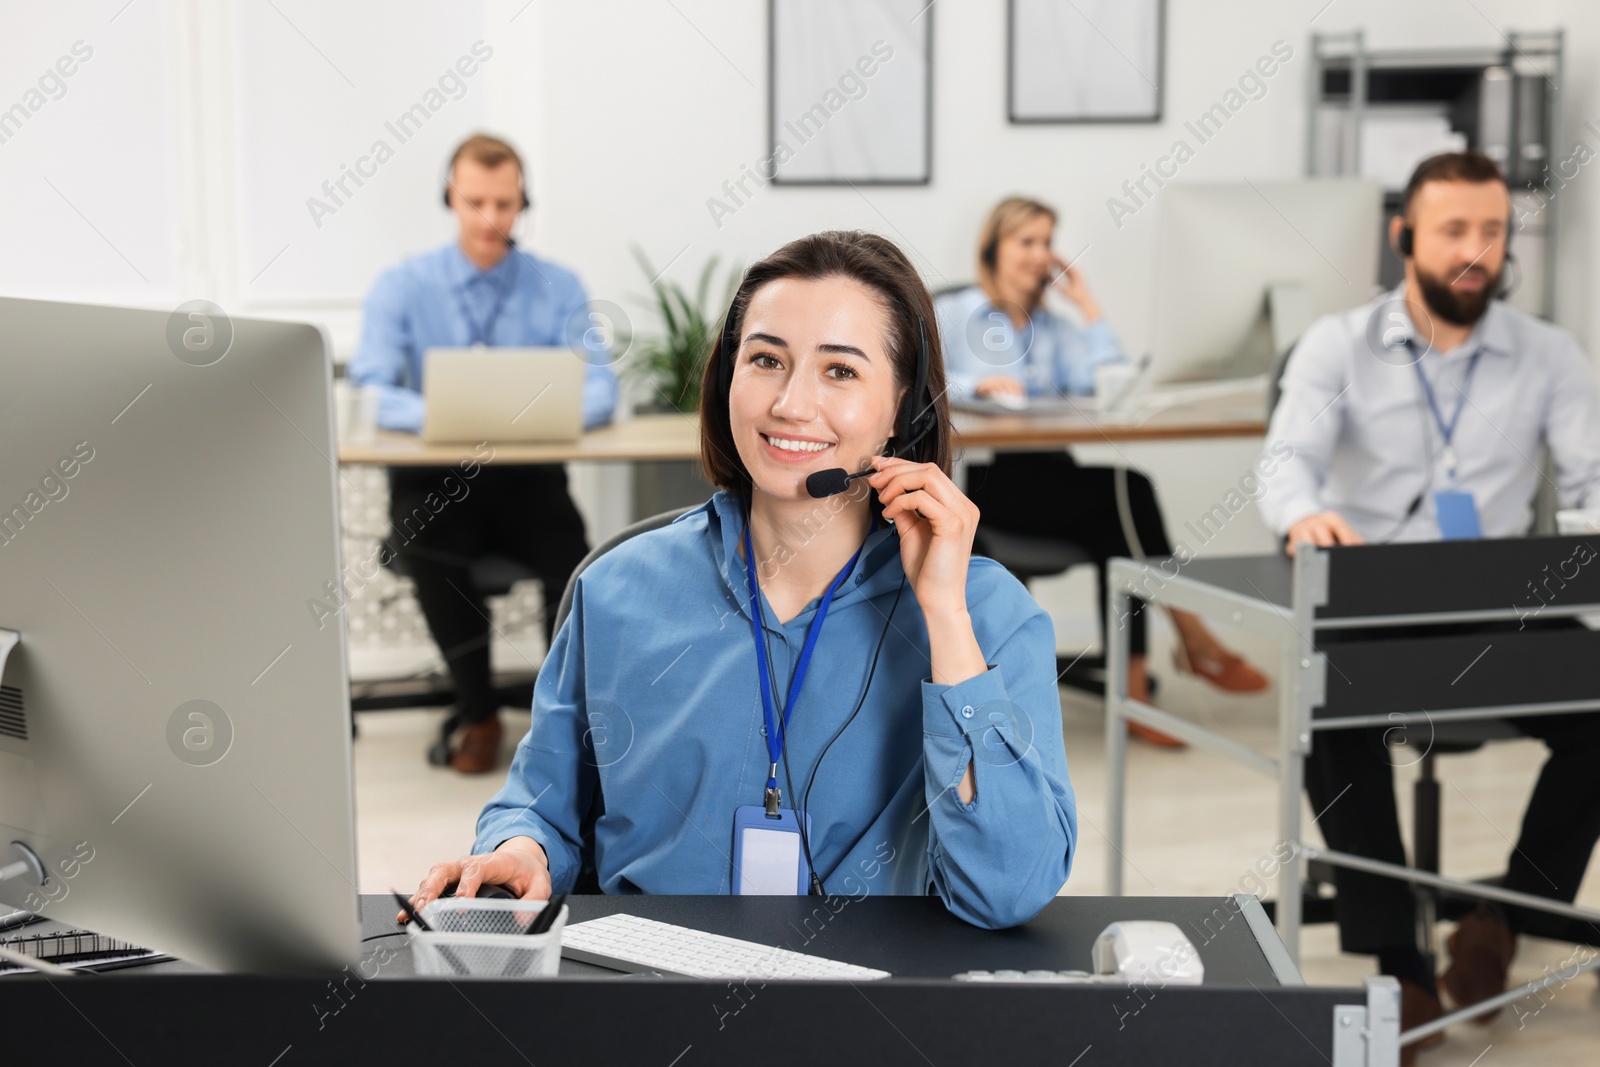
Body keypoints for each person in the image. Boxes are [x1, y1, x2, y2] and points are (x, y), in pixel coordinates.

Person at [405, 230, 1076, 928]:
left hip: (870, 1011)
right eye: (765, 359)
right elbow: (541, 804)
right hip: (651, 997)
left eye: (840, 371)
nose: (790, 402)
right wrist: (523, 850)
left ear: (901, 405)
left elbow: (1009, 887)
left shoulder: (986, 611)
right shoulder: (616, 589)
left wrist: (944, 614)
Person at [1260, 150, 1600, 1060]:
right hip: (1371, 596)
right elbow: (1285, 461)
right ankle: (1402, 967)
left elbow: (1591, 478)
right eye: (1454, 230)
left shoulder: (1549, 354)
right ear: (1405, 236)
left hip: (1494, 605)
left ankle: (1502, 919)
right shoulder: (1339, 343)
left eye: (1493, 231)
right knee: (1333, 698)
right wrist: (1303, 515)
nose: (1476, 251)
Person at [936, 196, 1268, 748]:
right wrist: (977, 388)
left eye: (1048, 242)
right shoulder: (961, 310)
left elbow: (1114, 384)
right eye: (1027, 242)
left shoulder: (1052, 325)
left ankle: (1136, 689)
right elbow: (927, 380)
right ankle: (1185, 639)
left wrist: (1087, 306)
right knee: (1127, 492)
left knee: (1121, 519)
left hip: (1054, 480)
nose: (1041, 255)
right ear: (994, 248)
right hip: (994, 485)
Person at [349, 133, 618, 774]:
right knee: (431, 547)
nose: (491, 219)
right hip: (438, 478)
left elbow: (602, 390)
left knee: (575, 562)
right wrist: (447, 416)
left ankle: (564, 721)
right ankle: (478, 713)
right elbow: (370, 391)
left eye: (505, 203)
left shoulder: (559, 286)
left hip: (528, 479)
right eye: (476, 202)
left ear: (524, 202)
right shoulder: (402, 286)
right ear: (450, 198)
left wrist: (525, 419)